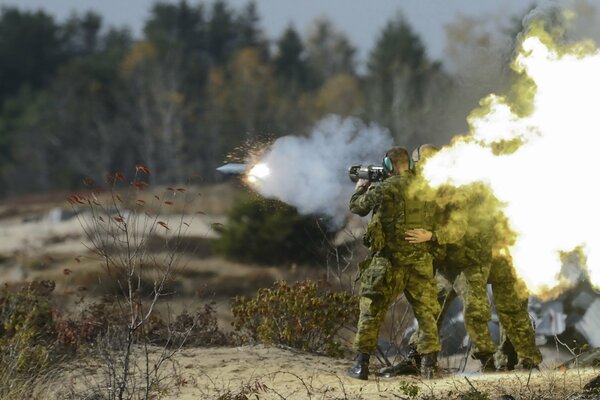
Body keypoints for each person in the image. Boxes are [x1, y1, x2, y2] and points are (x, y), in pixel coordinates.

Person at [347, 146, 442, 380]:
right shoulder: (426, 187)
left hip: (389, 263)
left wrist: (360, 187)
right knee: (427, 313)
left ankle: (361, 366)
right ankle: (428, 366)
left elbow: (357, 207)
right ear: (409, 163)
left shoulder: (384, 188)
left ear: (389, 166)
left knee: (372, 310)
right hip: (420, 263)